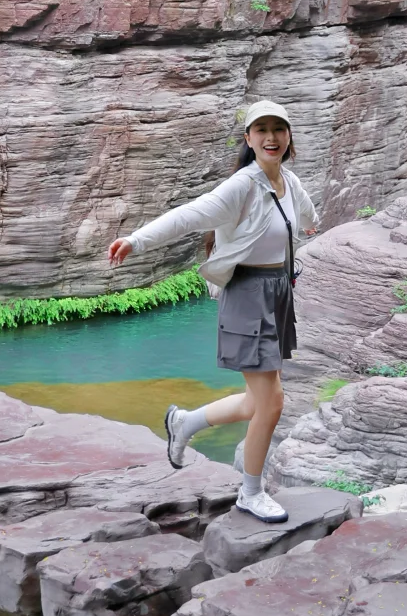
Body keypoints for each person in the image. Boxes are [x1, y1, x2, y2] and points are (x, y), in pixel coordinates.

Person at [107, 101, 318, 523]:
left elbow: (307, 219)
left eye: (279, 129)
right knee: (272, 402)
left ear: (290, 136)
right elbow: (189, 215)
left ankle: (184, 423)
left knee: (256, 402)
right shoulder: (242, 186)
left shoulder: (289, 183)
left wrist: (305, 228)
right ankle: (251, 493)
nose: (271, 137)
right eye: (262, 130)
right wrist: (137, 240)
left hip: (278, 291)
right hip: (247, 295)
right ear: (249, 139)